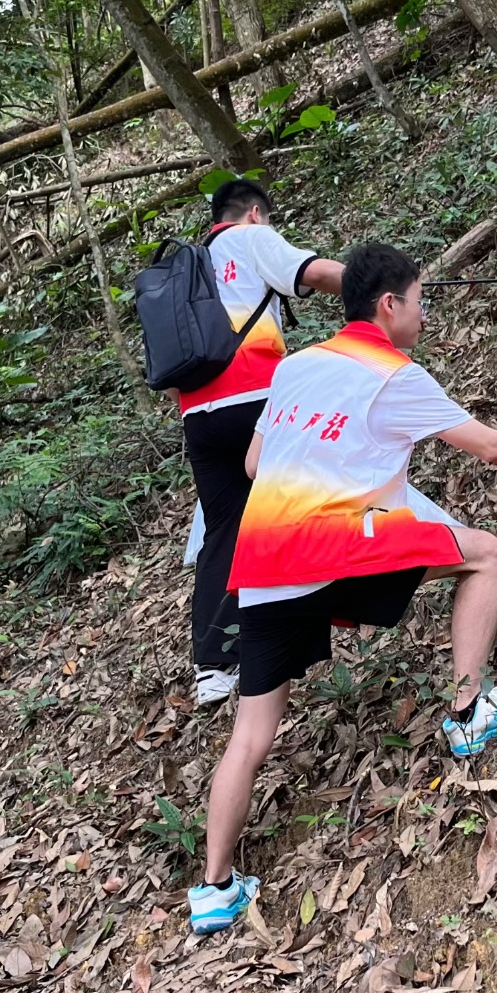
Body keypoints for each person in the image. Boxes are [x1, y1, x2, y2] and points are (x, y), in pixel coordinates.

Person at [189, 240, 497, 934]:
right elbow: (489, 446)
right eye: (419, 302)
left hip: (263, 560)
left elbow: (254, 459)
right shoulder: (394, 373)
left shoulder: (298, 365)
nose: (423, 316)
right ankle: (471, 711)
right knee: (484, 555)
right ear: (388, 305)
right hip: (334, 546)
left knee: (249, 736)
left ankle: (213, 891)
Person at [177, 180, 345, 713]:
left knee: (224, 530)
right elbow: (315, 273)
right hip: (256, 400)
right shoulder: (250, 238)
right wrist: (382, 287)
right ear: (254, 213)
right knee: (299, 499)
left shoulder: (188, 268)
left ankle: (213, 667)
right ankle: (306, 621)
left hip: (199, 416)